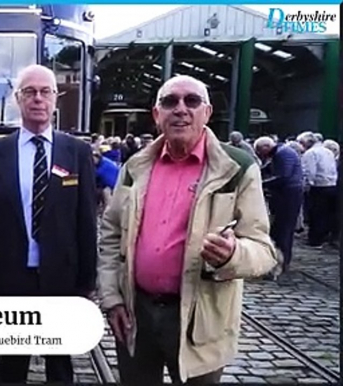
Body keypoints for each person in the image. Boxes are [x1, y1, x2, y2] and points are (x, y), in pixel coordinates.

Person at [97, 75, 277, 385]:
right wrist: (112, 299)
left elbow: (263, 251)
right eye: (170, 102)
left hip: (201, 318)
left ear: (207, 113)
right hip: (136, 313)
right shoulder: (135, 166)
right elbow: (111, 234)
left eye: (191, 101)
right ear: (157, 115)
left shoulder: (237, 168)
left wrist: (232, 255)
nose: (180, 109)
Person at [0, 64, 98, 383]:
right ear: (17, 99)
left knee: (60, 363)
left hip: (61, 277)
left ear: (56, 98)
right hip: (12, 276)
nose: (38, 99)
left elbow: (86, 220)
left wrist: (87, 281)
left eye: (45, 92)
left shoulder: (77, 152)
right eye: (29, 92)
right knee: (11, 364)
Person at [254, 136, 303, 273]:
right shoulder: (279, 153)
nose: (260, 154)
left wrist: (261, 184)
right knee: (280, 229)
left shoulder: (282, 154)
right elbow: (267, 169)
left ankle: (282, 262)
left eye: (259, 151)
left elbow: (283, 176)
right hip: (286, 194)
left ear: (266, 147)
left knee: (284, 229)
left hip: (288, 195)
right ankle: (280, 260)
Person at [297, 131, 338, 247]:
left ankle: (315, 240)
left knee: (316, 214)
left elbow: (310, 172)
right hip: (331, 185)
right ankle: (325, 237)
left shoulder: (310, 153)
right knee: (326, 214)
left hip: (318, 187)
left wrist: (306, 186)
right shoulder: (328, 151)